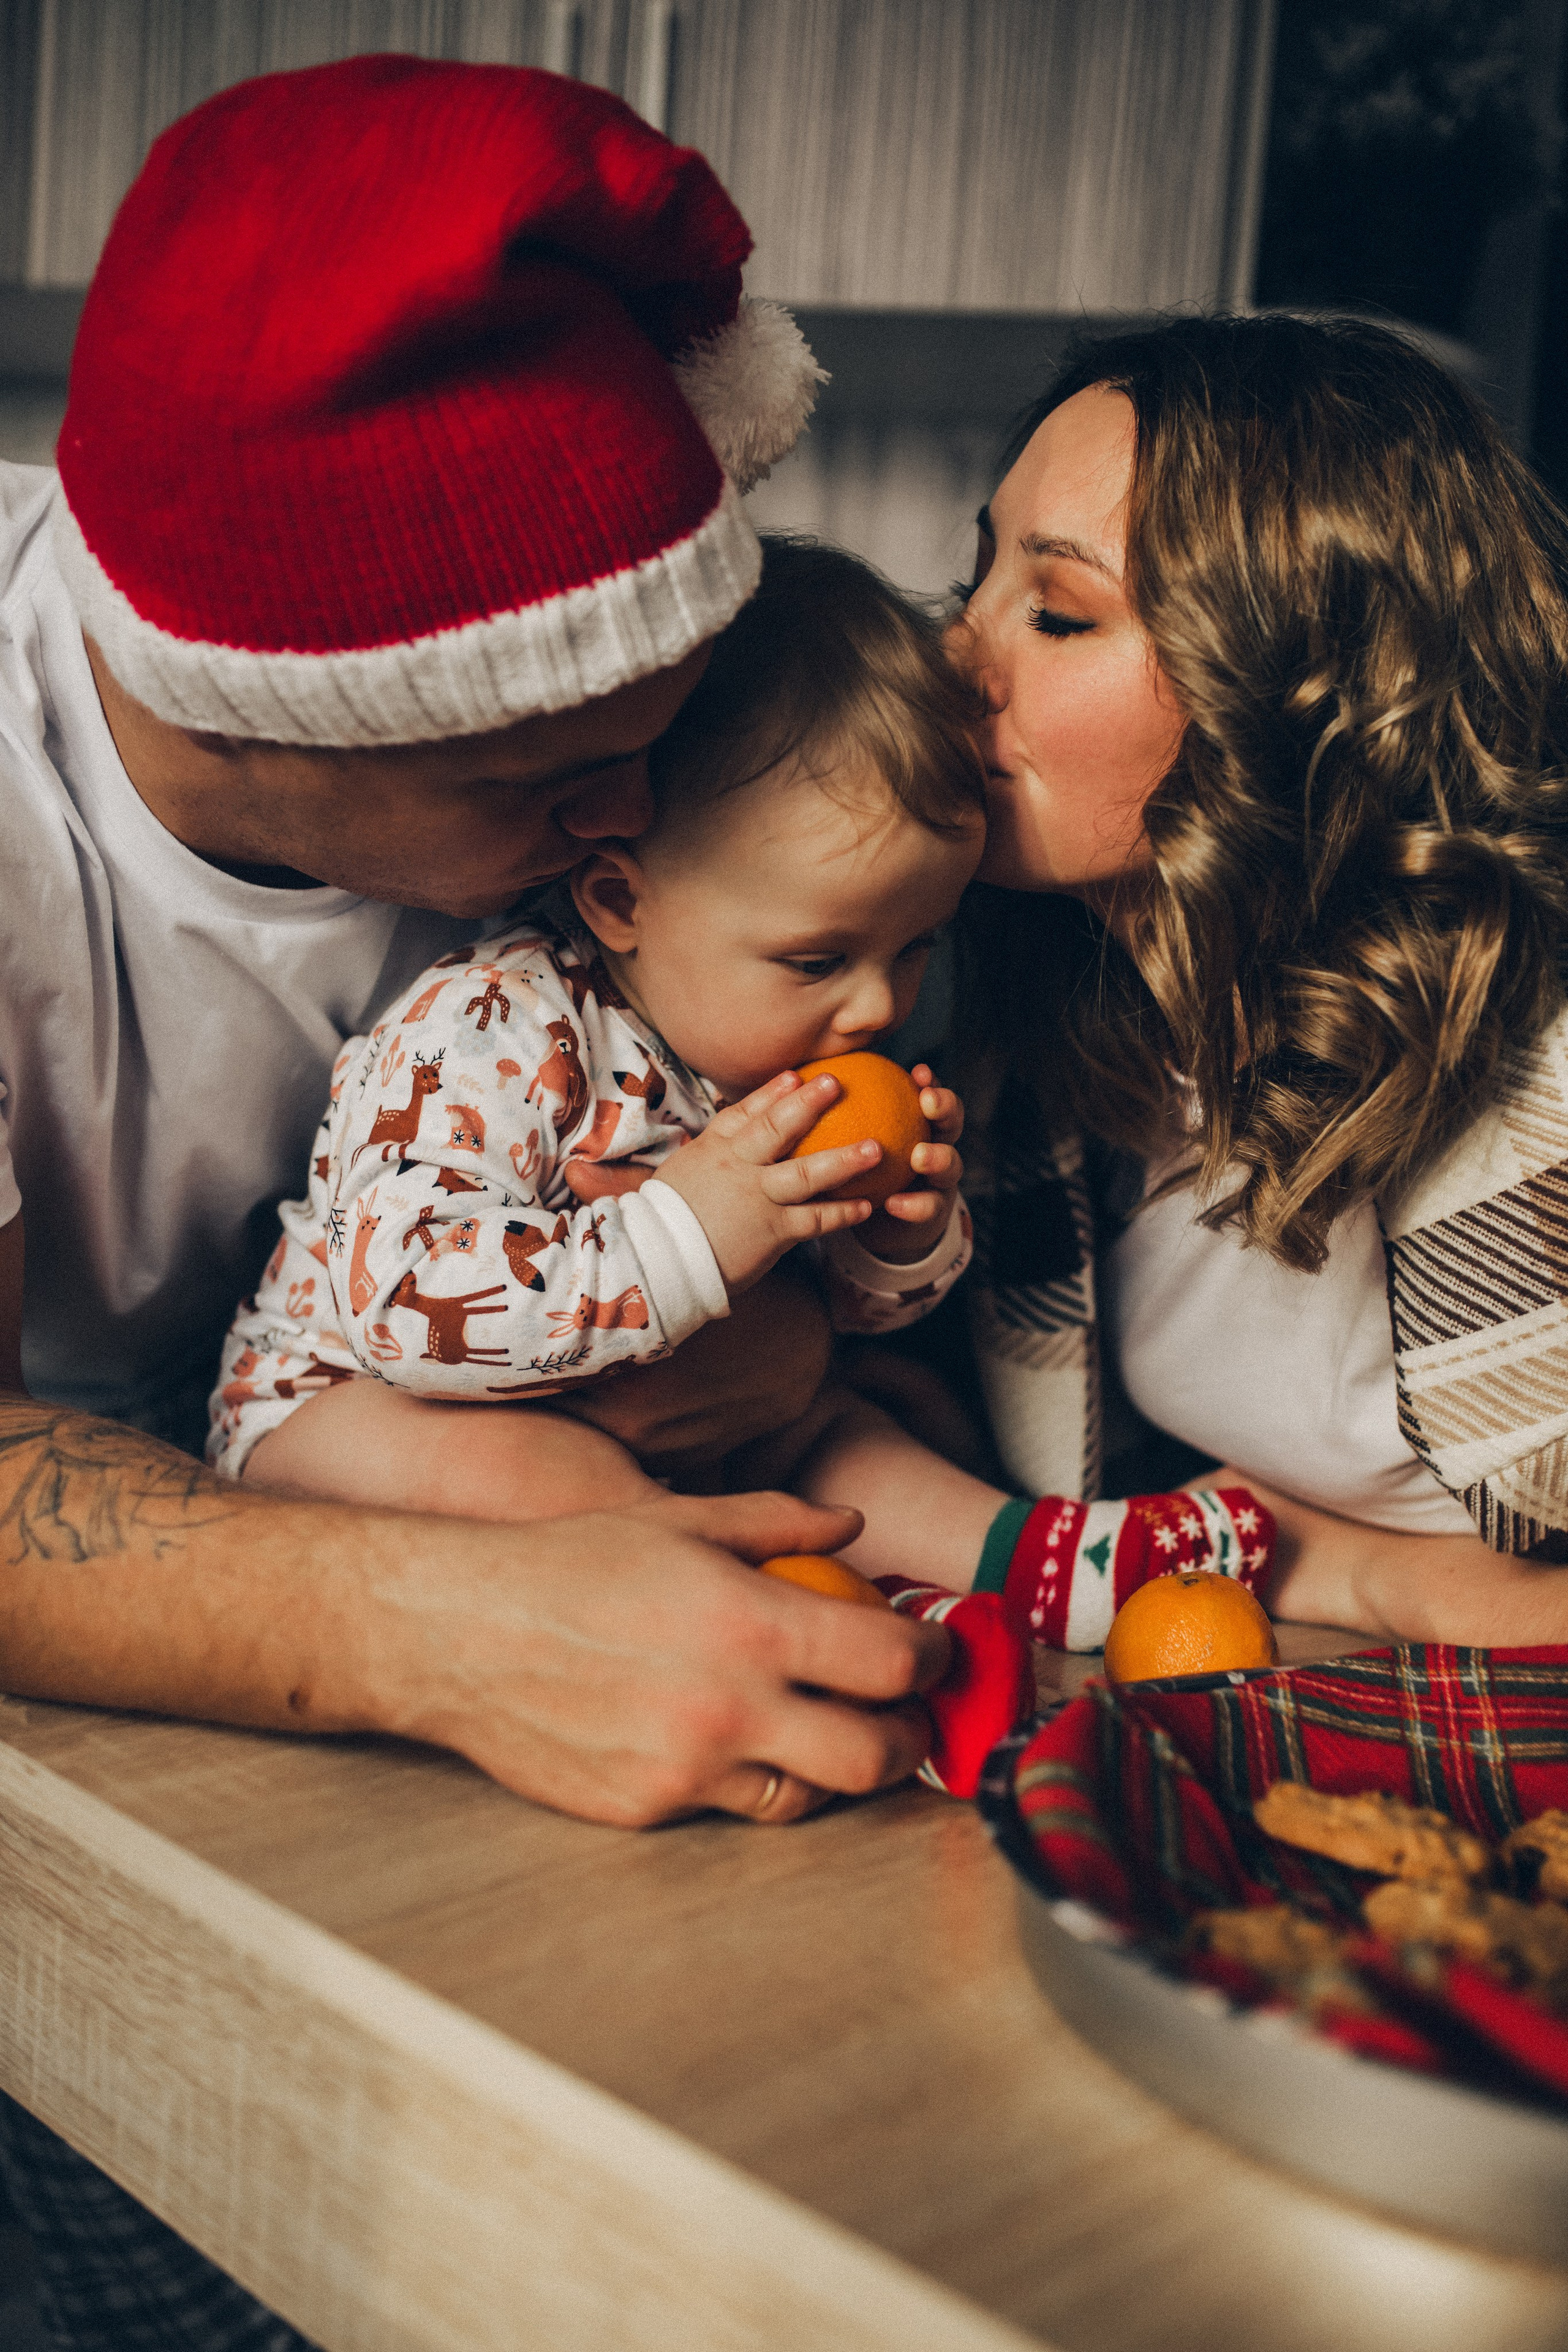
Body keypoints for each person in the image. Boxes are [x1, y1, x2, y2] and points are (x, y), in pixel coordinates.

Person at [0, 57, 951, 2352]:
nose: (640, 824)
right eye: (558, 782)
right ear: (274, 724)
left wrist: (778, 1306)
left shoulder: (569, 799)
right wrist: (451, 1620)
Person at [796, 312, 1568, 1653]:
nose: (949, 659)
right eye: (977, 580)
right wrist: (1349, 1572)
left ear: (1301, 692)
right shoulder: (1024, 1038)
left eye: (1055, 611)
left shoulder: (1534, 1068)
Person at [208, 537, 984, 1519]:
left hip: (660, 1427)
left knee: (847, 1437)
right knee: (534, 1479)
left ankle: (1058, 1563)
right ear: (622, 901)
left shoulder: (795, 1045)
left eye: (917, 946)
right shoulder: (495, 1027)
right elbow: (403, 1305)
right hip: (347, 1417)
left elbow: (849, 1314)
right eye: (820, 961)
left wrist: (896, 1241)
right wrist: (683, 1237)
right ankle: (718, 1579)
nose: (880, 1006)